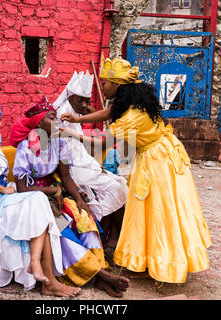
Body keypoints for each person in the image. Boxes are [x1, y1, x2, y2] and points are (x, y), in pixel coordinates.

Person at [60, 58, 212, 284]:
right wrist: (78, 119)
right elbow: (107, 112)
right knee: (151, 209)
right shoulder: (130, 103)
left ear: (118, 85)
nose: (103, 87)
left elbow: (102, 142)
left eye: (106, 83)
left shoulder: (131, 117)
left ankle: (163, 262)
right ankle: (147, 260)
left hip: (158, 162)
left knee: (159, 210)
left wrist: (71, 132)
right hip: (162, 153)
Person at [0, 89, 80, 297]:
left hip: (8, 197)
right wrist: (2, 189)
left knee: (40, 205)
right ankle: (44, 275)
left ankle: (41, 271)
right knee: (38, 199)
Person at [9, 97, 130, 297]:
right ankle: (100, 275)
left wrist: (80, 201)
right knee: (61, 228)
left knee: (84, 219)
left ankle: (99, 275)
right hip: (33, 198)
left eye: (56, 118)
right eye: (51, 118)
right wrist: (52, 191)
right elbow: (22, 189)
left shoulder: (59, 144)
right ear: (39, 124)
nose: (57, 123)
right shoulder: (25, 149)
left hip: (55, 193)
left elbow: (65, 177)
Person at [53, 71, 128, 250]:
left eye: (87, 101)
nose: (85, 105)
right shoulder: (62, 114)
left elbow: (81, 148)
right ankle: (115, 235)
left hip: (83, 163)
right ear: (70, 97)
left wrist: (95, 165)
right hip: (72, 168)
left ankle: (113, 234)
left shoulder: (74, 113)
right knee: (115, 187)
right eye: (81, 101)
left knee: (121, 183)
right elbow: (67, 152)